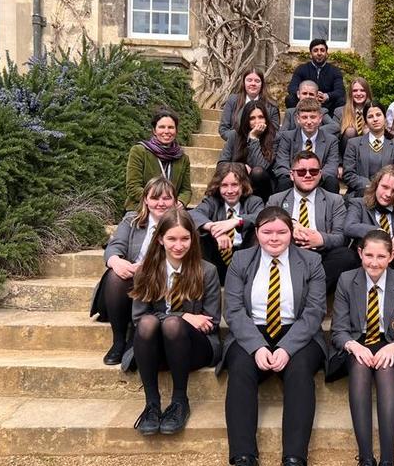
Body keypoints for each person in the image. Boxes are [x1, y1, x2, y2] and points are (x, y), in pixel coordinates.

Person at [219, 206, 328, 466]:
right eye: (267, 232)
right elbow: (233, 310)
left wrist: (287, 348)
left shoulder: (311, 261)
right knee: (240, 370)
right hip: (251, 331)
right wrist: (256, 346)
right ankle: (244, 460)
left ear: (292, 233)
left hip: (297, 332)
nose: (274, 238)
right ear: (257, 233)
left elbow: (315, 311)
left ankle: (294, 461)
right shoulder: (241, 260)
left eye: (281, 231)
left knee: (300, 371)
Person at [328, 230, 394, 466]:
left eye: (381, 256)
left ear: (391, 256)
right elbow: (339, 331)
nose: (374, 262)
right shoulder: (347, 280)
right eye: (369, 255)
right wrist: (353, 346)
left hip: (388, 343)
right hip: (357, 342)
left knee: (387, 369)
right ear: (360, 254)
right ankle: (366, 461)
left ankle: (388, 463)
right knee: (358, 367)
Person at [129, 209, 222, 435]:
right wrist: (185, 315)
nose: (178, 245)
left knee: (172, 325)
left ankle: (180, 400)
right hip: (156, 349)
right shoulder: (147, 271)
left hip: (195, 346)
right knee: (148, 323)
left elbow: (212, 321)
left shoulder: (207, 271)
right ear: (160, 239)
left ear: (193, 238)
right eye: (171, 238)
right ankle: (152, 403)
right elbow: (138, 318)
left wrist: (178, 321)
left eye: (184, 238)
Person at [90, 177, 177, 368]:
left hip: (158, 286)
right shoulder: (132, 221)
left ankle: (136, 338)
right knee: (115, 276)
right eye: (155, 198)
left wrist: (149, 267)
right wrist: (116, 261)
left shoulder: (180, 224)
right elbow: (114, 246)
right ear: (145, 199)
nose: (160, 203)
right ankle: (119, 340)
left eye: (166, 198)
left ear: (175, 201)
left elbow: (183, 256)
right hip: (126, 286)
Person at [268, 150, 358, 293]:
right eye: (302, 172)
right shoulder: (276, 200)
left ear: (320, 174)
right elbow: (267, 232)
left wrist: (320, 239)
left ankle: (307, 293)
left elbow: (342, 237)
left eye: (314, 171)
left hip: (321, 257)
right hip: (287, 254)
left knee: (347, 256)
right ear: (292, 175)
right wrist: (290, 230)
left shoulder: (335, 200)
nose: (308, 175)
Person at [190, 163, 264, 284]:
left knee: (259, 232)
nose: (230, 191)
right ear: (218, 187)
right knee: (197, 234)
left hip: (244, 258)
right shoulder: (212, 202)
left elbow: (261, 216)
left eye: (235, 185)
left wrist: (236, 221)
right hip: (216, 258)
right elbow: (193, 214)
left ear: (243, 185)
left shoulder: (254, 201)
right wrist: (214, 229)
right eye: (224, 185)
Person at [344, 166, 394, 273]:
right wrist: (378, 231)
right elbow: (349, 227)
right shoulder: (359, 203)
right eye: (385, 187)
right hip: (366, 261)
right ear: (376, 184)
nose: (388, 194)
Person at [125, 106, 192, 211]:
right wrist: (155, 202)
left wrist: (181, 202)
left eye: (171, 127)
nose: (166, 131)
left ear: (176, 130)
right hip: (140, 208)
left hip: (171, 210)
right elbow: (133, 187)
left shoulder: (183, 158)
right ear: (154, 131)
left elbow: (186, 190)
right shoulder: (139, 151)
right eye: (161, 127)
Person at [274, 97, 340, 193]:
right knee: (283, 182)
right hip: (294, 179)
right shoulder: (287, 137)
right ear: (298, 119)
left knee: (331, 182)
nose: (309, 122)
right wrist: (298, 177)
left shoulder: (331, 140)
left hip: (319, 180)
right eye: (304, 117)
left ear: (320, 118)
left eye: (313, 117)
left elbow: (331, 166)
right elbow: (281, 163)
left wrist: (313, 178)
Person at [218, 100, 279, 201]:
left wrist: (253, 138)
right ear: (246, 120)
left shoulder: (274, 138)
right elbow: (221, 164)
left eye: (261, 117)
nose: (257, 122)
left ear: (266, 119)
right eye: (252, 118)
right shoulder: (235, 135)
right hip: (237, 180)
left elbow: (260, 166)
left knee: (257, 172)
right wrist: (241, 168)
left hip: (262, 186)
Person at [342, 102, 394, 198]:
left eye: (378, 115)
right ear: (365, 121)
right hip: (359, 194)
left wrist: (382, 187)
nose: (375, 119)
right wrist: (370, 186)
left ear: (385, 118)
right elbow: (348, 174)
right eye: (370, 116)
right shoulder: (353, 144)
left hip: (387, 195)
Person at [217, 67, 281, 141]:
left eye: (257, 81)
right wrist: (243, 140)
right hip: (236, 146)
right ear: (243, 82)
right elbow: (223, 129)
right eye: (249, 80)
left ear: (262, 84)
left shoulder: (272, 106)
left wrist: (255, 139)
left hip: (262, 148)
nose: (253, 83)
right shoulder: (232, 100)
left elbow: (274, 132)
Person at [285, 38, 345, 112]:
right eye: (315, 50)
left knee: (341, 100)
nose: (319, 53)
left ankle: (333, 122)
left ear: (326, 53)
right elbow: (292, 87)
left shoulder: (335, 71)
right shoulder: (301, 69)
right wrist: (308, 95)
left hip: (326, 105)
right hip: (304, 103)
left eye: (322, 50)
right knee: (290, 98)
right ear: (311, 54)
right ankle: (297, 121)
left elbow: (340, 91)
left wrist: (326, 96)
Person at [334, 77, 373, 159]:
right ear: (350, 94)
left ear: (367, 93)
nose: (358, 94)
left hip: (368, 156)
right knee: (350, 131)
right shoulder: (339, 112)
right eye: (355, 91)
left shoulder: (374, 111)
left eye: (362, 90)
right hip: (345, 157)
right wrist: (339, 164)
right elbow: (333, 141)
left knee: (367, 131)